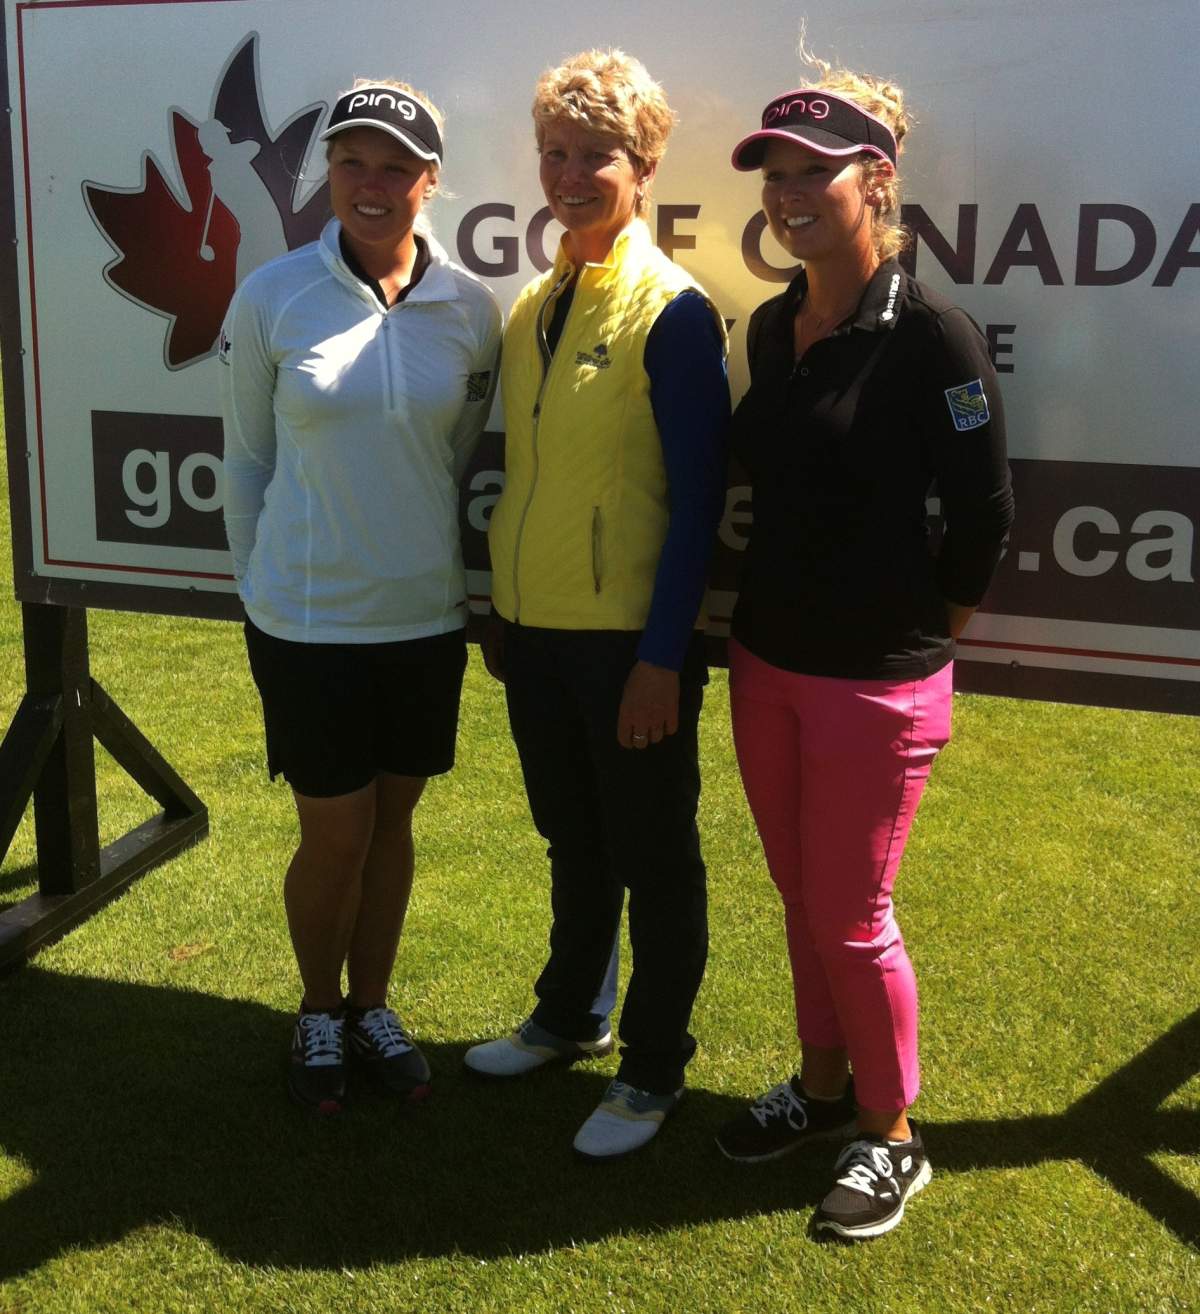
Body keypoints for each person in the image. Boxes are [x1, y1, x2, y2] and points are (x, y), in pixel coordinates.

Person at [717, 62, 1013, 1237]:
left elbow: (984, 510)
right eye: (776, 177)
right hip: (767, 664)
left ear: (874, 182)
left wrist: (933, 636)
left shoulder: (934, 334)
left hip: (876, 685)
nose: (788, 196)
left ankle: (892, 1136)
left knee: (852, 913)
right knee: (803, 901)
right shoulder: (774, 328)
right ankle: (823, 1087)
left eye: (813, 176)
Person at [463, 49, 730, 1160]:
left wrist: (664, 658)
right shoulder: (533, 304)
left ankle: (654, 1068)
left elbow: (700, 502)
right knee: (573, 839)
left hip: (630, 646)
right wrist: (503, 617)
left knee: (654, 855)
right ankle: (573, 1014)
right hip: (538, 635)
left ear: (646, 163)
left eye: (597, 157)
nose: (570, 175)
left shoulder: (673, 310)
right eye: (555, 154)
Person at [219, 78, 502, 1115]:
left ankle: (374, 1005)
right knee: (333, 832)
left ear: (430, 183)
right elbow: (244, 463)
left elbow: (454, 455)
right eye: (352, 164)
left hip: (423, 621)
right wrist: (262, 587)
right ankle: (317, 1008)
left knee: (392, 825)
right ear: (329, 177)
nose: (371, 185)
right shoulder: (272, 296)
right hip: (306, 624)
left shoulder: (472, 310)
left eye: (394, 167)